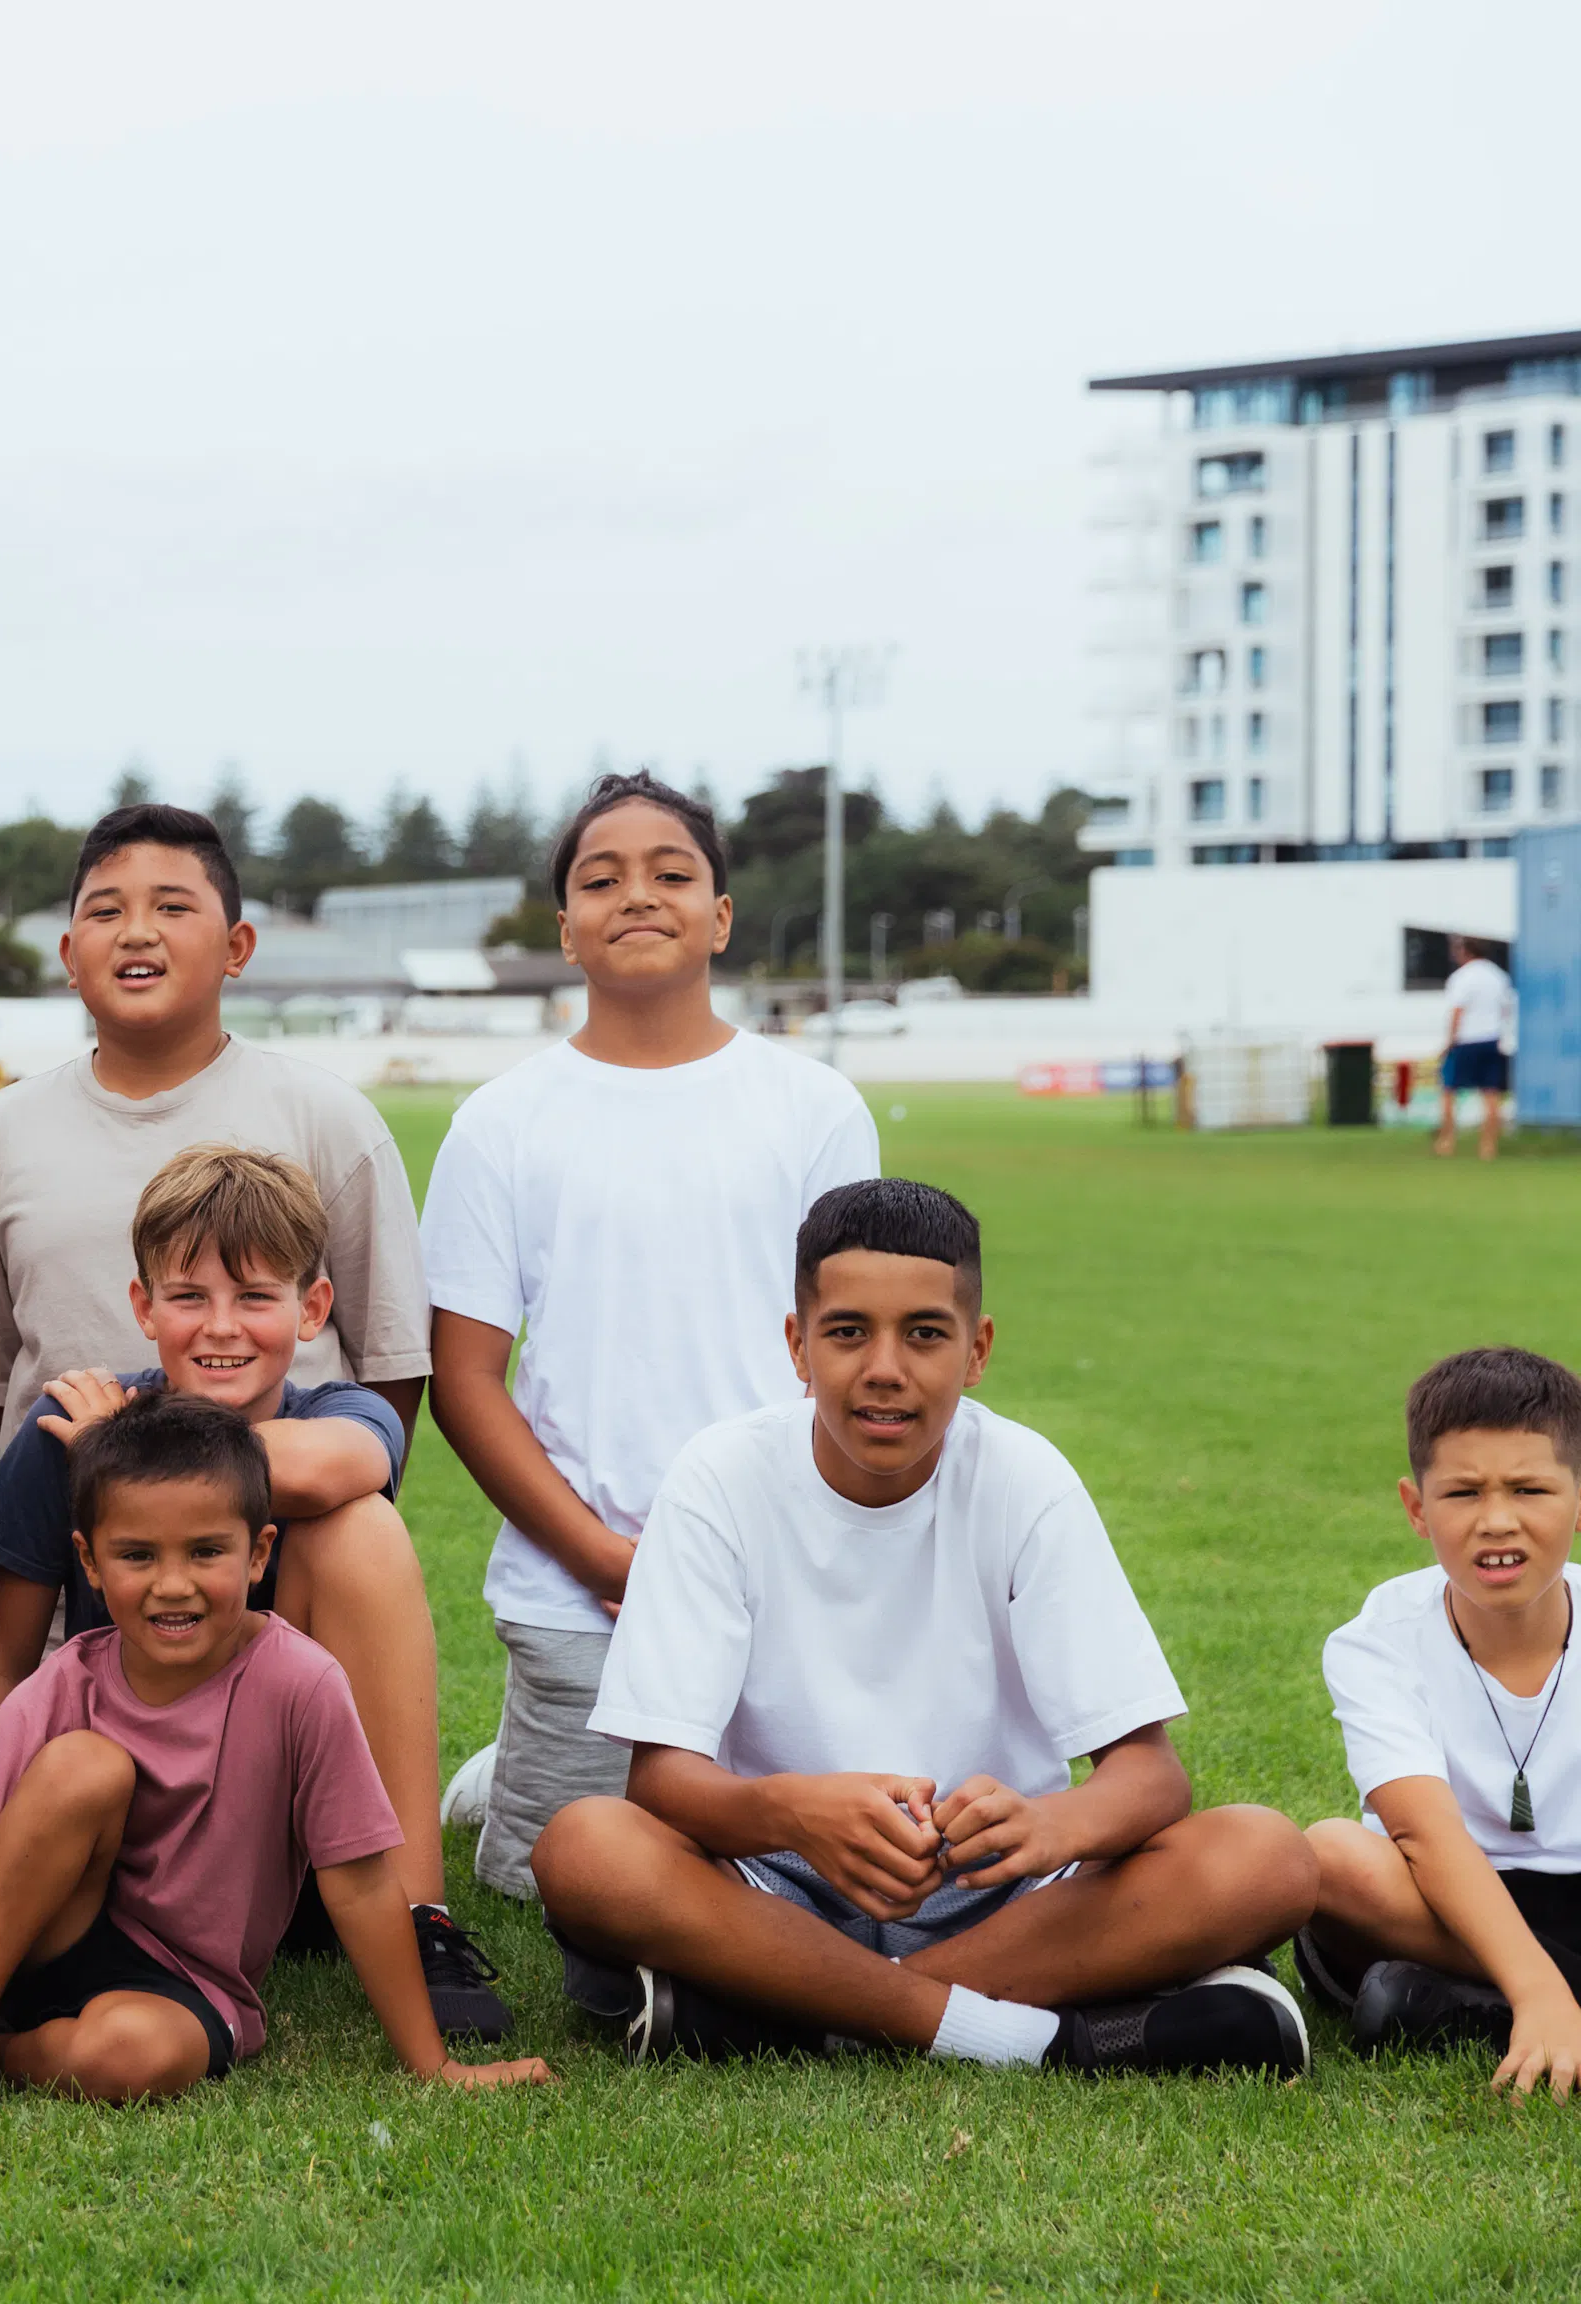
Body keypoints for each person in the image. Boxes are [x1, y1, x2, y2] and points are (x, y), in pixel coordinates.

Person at [532, 1180, 1319, 2077]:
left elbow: (1147, 1776)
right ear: (797, 1345)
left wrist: (1050, 1824)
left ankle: (801, 2010)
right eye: (847, 1331)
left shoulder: (1026, 1478)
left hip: (997, 1894)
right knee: (587, 1849)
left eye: (926, 1334)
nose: (885, 1368)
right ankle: (1031, 2040)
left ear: (977, 1350)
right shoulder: (719, 1477)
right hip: (775, 1881)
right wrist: (791, 1810)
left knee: (1268, 1857)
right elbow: (660, 1780)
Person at [422, 772, 878, 1913]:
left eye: (672, 874)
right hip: (584, 1592)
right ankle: (519, 1781)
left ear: (720, 916)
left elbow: (863, 1349)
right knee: (559, 1882)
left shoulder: (814, 1107)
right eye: (601, 878)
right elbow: (466, 1380)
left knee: (799, 1858)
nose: (639, 895)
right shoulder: (502, 1122)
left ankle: (531, 1762)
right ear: (566, 925)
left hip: (786, 1575)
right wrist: (596, 1554)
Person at [0, 1141, 507, 2038]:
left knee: (362, 1524)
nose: (221, 1328)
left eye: (255, 1297)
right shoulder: (68, 1426)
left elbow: (340, 1469)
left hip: (283, 1832)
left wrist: (124, 1444)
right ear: (143, 1307)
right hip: (112, 1837)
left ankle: (416, 1915)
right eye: (188, 1297)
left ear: (312, 1308)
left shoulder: (331, 1412)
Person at [0, 1392, 553, 2109]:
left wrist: (433, 2064)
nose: (173, 1584)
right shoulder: (68, 1676)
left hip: (187, 1984)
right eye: (136, 1555)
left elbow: (362, 1884)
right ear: (89, 1563)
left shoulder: (302, 1682)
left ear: (258, 1554)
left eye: (206, 1551)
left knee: (132, 2056)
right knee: (84, 1766)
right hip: (41, 1939)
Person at [0, 802, 429, 1458]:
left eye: (172, 908)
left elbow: (391, 1361)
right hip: (81, 1537)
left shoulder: (329, 1120)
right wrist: (103, 1481)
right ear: (70, 957)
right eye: (105, 911)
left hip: (290, 1524)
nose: (136, 933)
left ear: (237, 947)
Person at [1300, 1346, 1581, 2086]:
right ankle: (1537, 1997)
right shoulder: (1377, 1641)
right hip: (1441, 1902)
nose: (1497, 1521)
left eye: (1529, 1489)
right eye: (1463, 1494)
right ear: (1416, 1508)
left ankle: (1457, 2009)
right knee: (1330, 1855)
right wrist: (1540, 1987)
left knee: (1397, 1996)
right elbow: (1422, 1835)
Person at [1437, 933, 1515, 1161]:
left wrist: (1449, 1041)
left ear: (1465, 951)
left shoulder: (1461, 978)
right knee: (1491, 1093)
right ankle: (1488, 1146)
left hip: (1466, 1040)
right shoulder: (1498, 976)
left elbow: (1457, 1012)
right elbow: (1506, 1008)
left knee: (1449, 1090)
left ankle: (1447, 1141)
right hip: (1492, 1039)